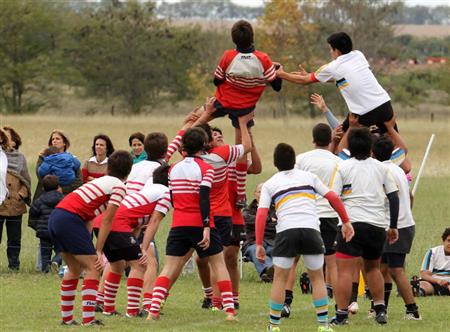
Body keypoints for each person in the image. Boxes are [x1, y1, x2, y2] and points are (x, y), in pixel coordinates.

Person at [255, 143, 353, 332]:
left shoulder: (270, 184)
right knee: (317, 278)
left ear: (275, 163)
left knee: (279, 279)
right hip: (311, 230)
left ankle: (274, 325)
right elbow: (333, 197)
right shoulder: (309, 177)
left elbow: (261, 214)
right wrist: (346, 221)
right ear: (294, 161)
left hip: (286, 232)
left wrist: (259, 243)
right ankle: (323, 325)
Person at [147, 127, 238, 322]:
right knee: (219, 264)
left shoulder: (173, 169)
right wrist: (206, 227)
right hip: (201, 223)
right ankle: (230, 311)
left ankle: (152, 312)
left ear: (184, 146)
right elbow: (204, 199)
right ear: (204, 145)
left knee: (169, 267)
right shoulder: (207, 168)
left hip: (178, 224)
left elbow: (173, 196)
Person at [48, 150, 132, 326]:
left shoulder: (99, 182)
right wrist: (98, 250)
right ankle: (89, 319)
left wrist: (87, 243)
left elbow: (89, 217)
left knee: (74, 268)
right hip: (70, 219)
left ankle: (68, 319)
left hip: (57, 216)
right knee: (94, 267)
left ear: (109, 167)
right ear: (128, 171)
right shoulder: (119, 186)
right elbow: (107, 220)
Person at [330, 128, 400, 326]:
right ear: (370, 147)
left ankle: (342, 314)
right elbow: (394, 196)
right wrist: (393, 226)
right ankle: (380, 310)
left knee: (344, 271)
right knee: (373, 268)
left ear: (350, 147)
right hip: (376, 225)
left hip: (350, 225)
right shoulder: (381, 168)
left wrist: (344, 220)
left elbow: (333, 197)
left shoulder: (343, 168)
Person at [276, 32, 398, 135]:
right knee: (394, 146)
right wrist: (310, 75)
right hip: (385, 105)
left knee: (339, 137)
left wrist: (281, 74)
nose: (330, 52)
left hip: (363, 113)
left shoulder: (333, 67)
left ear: (337, 51)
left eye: (331, 49)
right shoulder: (358, 55)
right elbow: (346, 79)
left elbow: (304, 81)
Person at [92, 165, 171, 317]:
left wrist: (135, 243)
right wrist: (143, 248)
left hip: (101, 222)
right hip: (116, 223)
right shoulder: (166, 193)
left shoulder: (148, 191)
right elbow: (154, 222)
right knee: (139, 264)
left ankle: (108, 309)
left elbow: (136, 224)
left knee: (117, 265)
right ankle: (133, 311)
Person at [289, 123, 341, 313]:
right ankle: (338, 304)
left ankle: (286, 301)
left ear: (313, 140)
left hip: (305, 214)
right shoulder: (338, 162)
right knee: (332, 262)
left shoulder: (301, 159)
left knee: (293, 259)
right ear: (331, 140)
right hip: (329, 215)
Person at [372, 137, 421, 319]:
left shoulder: (381, 172)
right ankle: (380, 309)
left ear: (373, 154)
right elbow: (409, 195)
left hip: (395, 227)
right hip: (402, 224)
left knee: (395, 270)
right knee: (382, 268)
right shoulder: (398, 169)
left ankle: (413, 310)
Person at [0, 128, 31, 271]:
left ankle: (14, 265)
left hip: (15, 204)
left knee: (14, 238)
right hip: (0, 202)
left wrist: (21, 194)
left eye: (8, 136)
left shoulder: (20, 158)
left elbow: (26, 180)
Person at [29, 175, 64, 273]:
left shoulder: (40, 200)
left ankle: (45, 271)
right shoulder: (63, 199)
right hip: (59, 230)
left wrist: (37, 225)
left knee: (45, 252)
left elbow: (33, 213)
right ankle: (56, 261)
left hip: (44, 230)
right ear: (58, 186)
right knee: (61, 250)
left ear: (43, 188)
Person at [33, 130, 82, 200]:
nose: (54, 141)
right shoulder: (43, 157)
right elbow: (40, 175)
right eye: (53, 139)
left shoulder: (72, 159)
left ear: (64, 143)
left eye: (57, 139)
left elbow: (79, 181)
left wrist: (63, 189)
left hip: (65, 198)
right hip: (45, 196)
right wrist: (52, 188)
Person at [242, 183, 276, 282]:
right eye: (260, 192)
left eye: (265, 192)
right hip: (253, 242)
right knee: (254, 251)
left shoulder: (276, 209)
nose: (262, 194)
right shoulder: (248, 210)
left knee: (276, 252)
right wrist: (270, 219)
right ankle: (270, 270)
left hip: (272, 242)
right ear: (255, 194)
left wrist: (261, 221)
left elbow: (278, 224)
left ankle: (268, 274)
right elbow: (248, 220)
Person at [418, 227, 450, 296]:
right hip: (433, 282)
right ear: (443, 241)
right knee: (425, 285)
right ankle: (416, 291)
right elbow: (424, 274)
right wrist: (439, 281)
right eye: (449, 241)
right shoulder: (433, 252)